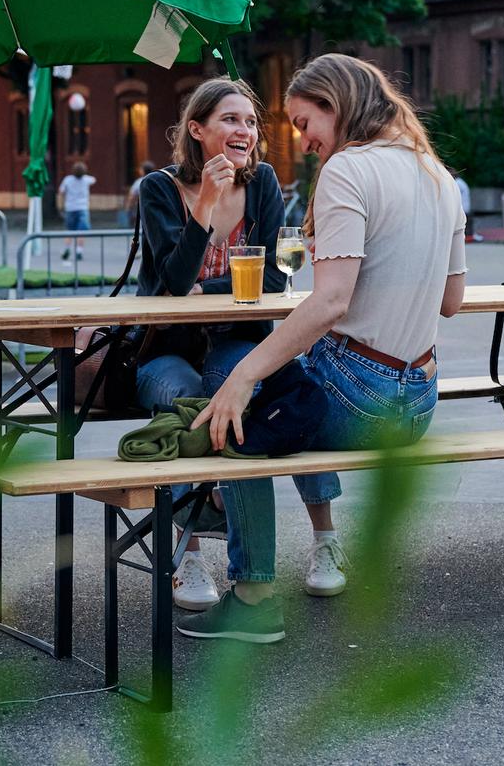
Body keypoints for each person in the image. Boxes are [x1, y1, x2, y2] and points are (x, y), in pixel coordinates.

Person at [179, 54, 466, 644]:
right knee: (267, 390)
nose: (303, 140)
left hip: (357, 394)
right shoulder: (437, 174)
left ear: (336, 107)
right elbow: (451, 301)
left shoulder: (347, 172)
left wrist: (242, 379)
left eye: (305, 123)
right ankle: (320, 543)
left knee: (231, 419)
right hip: (418, 401)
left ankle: (253, 596)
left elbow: (331, 301)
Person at [135, 78, 343, 611]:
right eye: (231, 120)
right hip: (168, 348)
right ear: (198, 130)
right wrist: (204, 203)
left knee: (283, 391)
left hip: (239, 341)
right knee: (187, 401)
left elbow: (276, 280)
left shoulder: (265, 183)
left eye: (251, 122)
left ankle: (325, 541)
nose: (244, 130)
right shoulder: (160, 189)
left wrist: (211, 286)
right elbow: (176, 283)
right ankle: (190, 552)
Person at [57, 161, 95, 260]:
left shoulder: (67, 180)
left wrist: (62, 202)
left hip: (70, 208)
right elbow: (94, 180)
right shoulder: (86, 180)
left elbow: (61, 191)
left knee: (70, 230)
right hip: (82, 207)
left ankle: (67, 248)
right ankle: (79, 251)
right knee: (81, 232)